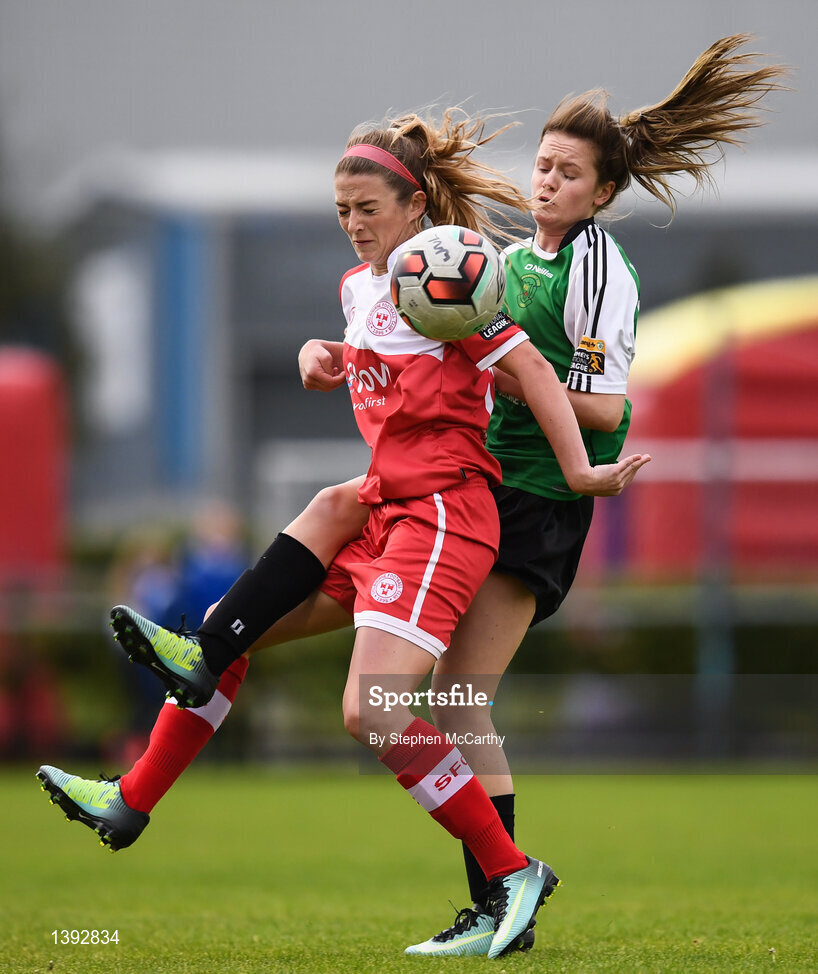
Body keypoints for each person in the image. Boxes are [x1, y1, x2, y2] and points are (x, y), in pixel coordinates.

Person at [37, 32, 785, 957]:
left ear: (602, 192)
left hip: (527, 502)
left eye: (565, 171)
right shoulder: (486, 261)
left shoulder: (592, 271)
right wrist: (339, 356)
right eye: (541, 164)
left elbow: (596, 407)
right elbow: (425, 343)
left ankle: (501, 897)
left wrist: (511, 379)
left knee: (448, 699)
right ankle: (135, 793)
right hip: (448, 491)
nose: (544, 180)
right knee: (247, 626)